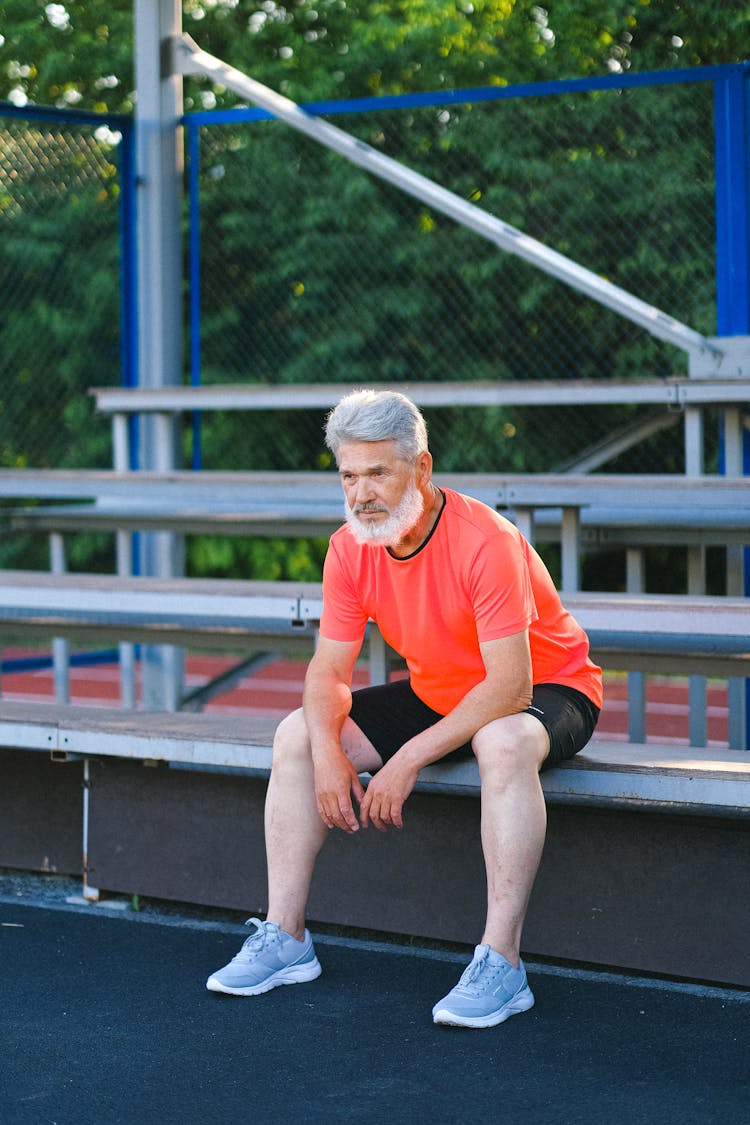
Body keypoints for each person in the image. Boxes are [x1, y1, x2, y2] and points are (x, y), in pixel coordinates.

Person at [206, 388, 602, 1029]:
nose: (362, 494)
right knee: (298, 735)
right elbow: (326, 672)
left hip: (550, 688)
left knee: (498, 742)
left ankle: (502, 964)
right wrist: (332, 754)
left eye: (378, 473)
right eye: (348, 476)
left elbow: (509, 688)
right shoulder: (349, 546)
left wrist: (405, 761)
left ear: (421, 468)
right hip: (441, 690)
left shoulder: (486, 542)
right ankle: (286, 937)